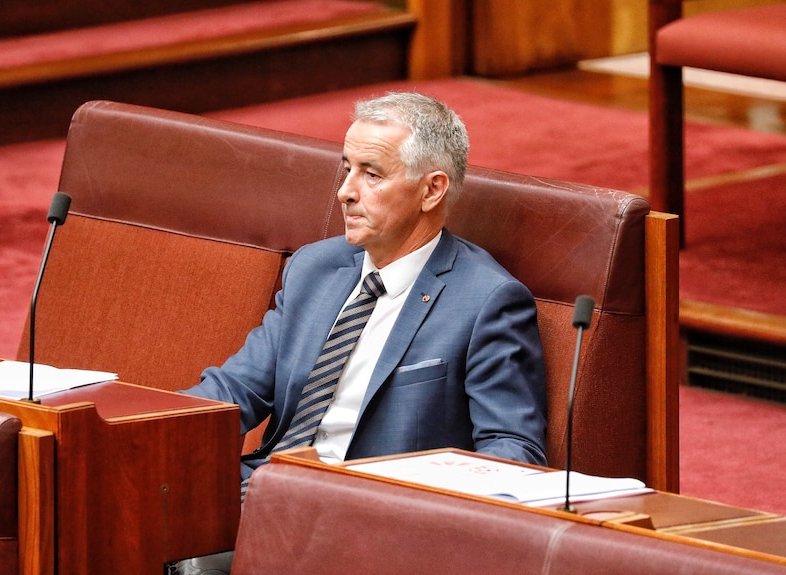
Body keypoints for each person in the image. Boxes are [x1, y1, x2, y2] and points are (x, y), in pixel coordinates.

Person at [170, 92, 547, 575]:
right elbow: (234, 389)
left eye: (372, 174)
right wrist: (143, 432)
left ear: (433, 190)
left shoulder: (486, 299)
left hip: (370, 523)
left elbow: (513, 446)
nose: (345, 191)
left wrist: (422, 504)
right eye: (346, 168)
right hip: (266, 489)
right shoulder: (315, 268)